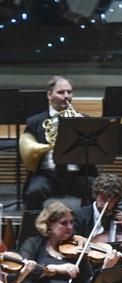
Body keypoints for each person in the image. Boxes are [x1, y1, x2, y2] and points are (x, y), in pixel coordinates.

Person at [21, 76, 97, 210]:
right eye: (61, 92)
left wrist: (84, 128)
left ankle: (88, 227)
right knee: (34, 192)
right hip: (47, 175)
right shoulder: (35, 122)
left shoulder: (84, 119)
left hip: (77, 176)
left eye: (69, 92)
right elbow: (24, 154)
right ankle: (31, 230)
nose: (66, 96)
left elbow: (94, 151)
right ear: (49, 95)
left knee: (97, 189)